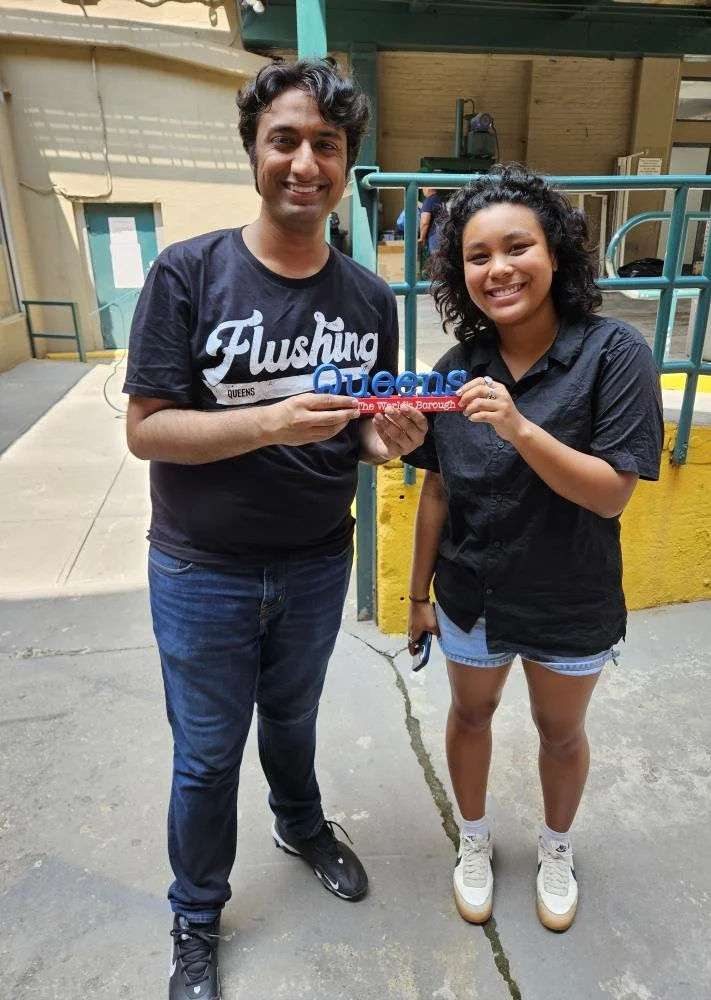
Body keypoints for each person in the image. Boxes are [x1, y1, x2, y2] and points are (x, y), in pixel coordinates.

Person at [123, 58, 427, 1000]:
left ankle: (301, 824)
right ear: (254, 151)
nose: (304, 162)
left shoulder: (369, 298)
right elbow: (145, 430)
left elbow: (365, 429)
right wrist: (267, 418)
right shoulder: (189, 273)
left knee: (293, 720)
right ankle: (197, 914)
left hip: (312, 562)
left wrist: (391, 440)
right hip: (201, 568)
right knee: (208, 755)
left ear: (347, 164)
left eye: (325, 145)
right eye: (284, 140)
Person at [405, 165, 663, 932]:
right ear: (461, 274)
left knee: (560, 732)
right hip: (470, 591)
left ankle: (556, 848)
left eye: (517, 246)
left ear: (555, 253)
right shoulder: (456, 371)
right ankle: (475, 840)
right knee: (470, 714)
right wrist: (417, 597)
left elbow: (612, 491)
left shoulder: (615, 354)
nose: (499, 269)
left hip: (568, 593)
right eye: (477, 257)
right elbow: (439, 491)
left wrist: (519, 427)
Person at [418, 187, 446, 256]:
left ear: (428, 188)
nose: (423, 190)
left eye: (423, 188)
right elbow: (426, 208)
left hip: (435, 236)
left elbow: (424, 222)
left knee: (436, 260)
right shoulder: (438, 199)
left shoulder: (429, 200)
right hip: (443, 234)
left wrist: (422, 238)